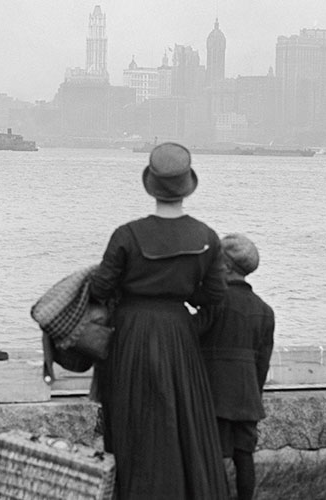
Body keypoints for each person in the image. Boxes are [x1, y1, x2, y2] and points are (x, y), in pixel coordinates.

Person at [89, 142, 231, 499]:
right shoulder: (206, 237)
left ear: (150, 185)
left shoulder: (127, 234)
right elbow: (214, 295)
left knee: (133, 419)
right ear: (187, 186)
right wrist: (181, 294)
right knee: (182, 421)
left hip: (131, 332)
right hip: (177, 334)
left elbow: (101, 286)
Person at [197, 234, 275, 500]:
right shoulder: (264, 311)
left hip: (214, 393)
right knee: (244, 457)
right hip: (247, 397)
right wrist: (255, 394)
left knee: (212, 454)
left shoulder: (215, 301)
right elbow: (262, 364)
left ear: (226, 267)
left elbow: (191, 334)